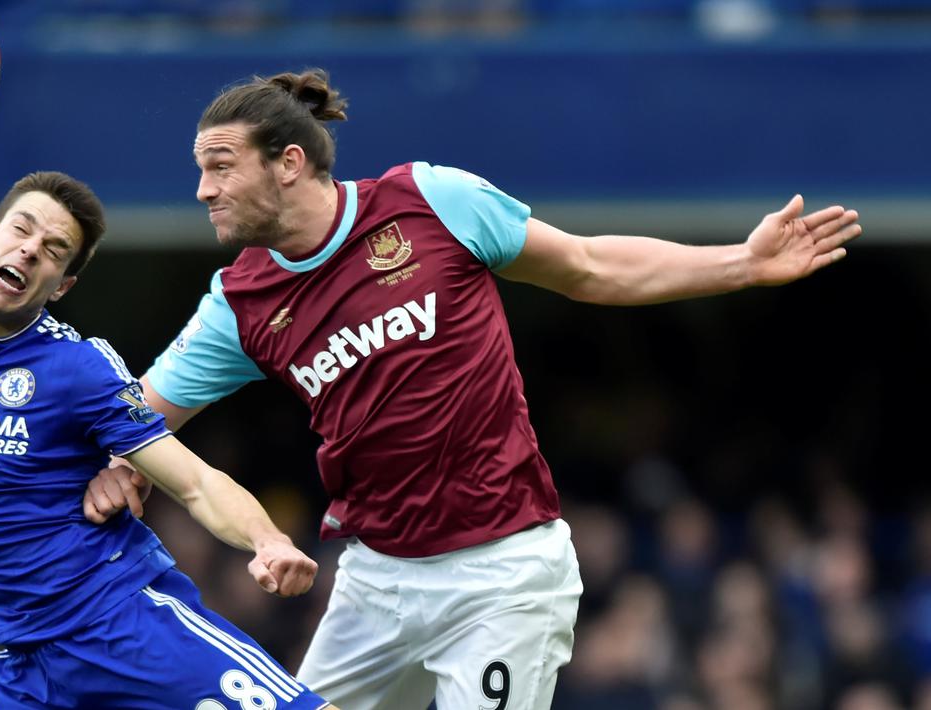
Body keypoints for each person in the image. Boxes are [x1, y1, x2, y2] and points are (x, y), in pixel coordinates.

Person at [82, 69, 863, 710]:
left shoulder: (429, 201)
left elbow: (588, 267)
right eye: (199, 170)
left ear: (288, 162)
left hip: (503, 577)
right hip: (376, 582)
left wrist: (741, 263)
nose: (201, 191)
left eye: (220, 166)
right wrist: (116, 463)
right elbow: (143, 417)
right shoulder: (240, 300)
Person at [0, 170, 335, 710]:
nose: (30, 251)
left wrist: (267, 541)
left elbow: (193, 481)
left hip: (123, 628)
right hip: (28, 670)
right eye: (21, 230)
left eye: (54, 250)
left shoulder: (76, 367)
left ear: (62, 285)